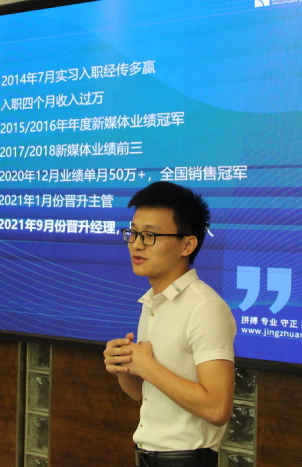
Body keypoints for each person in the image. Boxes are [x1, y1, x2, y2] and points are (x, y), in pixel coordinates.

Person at [103, 181, 236, 467]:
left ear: (187, 244)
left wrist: (146, 366)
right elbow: (145, 394)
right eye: (133, 232)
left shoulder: (205, 307)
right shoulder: (153, 302)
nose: (136, 244)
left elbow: (217, 408)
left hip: (186, 460)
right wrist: (124, 367)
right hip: (147, 454)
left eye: (150, 235)